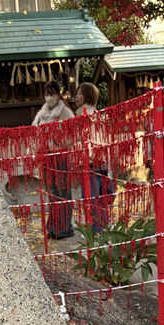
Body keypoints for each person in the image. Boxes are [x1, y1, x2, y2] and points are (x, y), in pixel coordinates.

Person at [32, 82, 75, 240]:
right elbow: (33, 132)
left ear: (58, 95)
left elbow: (73, 136)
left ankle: (64, 227)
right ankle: (53, 227)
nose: (49, 97)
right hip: (46, 157)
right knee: (52, 193)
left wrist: (56, 140)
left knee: (62, 192)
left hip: (61, 156)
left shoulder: (66, 113)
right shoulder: (41, 113)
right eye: (46, 94)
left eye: (52, 94)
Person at [75, 81, 114, 232]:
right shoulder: (99, 115)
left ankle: (96, 229)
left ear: (87, 96)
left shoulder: (81, 116)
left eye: (79, 93)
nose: (76, 97)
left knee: (92, 196)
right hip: (101, 159)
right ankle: (102, 225)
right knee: (102, 196)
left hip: (90, 161)